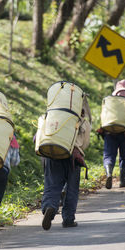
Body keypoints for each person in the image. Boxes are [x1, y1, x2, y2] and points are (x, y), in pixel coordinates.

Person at [41, 98, 91, 230]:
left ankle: (49, 206)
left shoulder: (49, 116)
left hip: (53, 152)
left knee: (52, 184)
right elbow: (85, 144)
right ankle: (68, 219)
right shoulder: (82, 122)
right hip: (73, 158)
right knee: (72, 189)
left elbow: (39, 137)